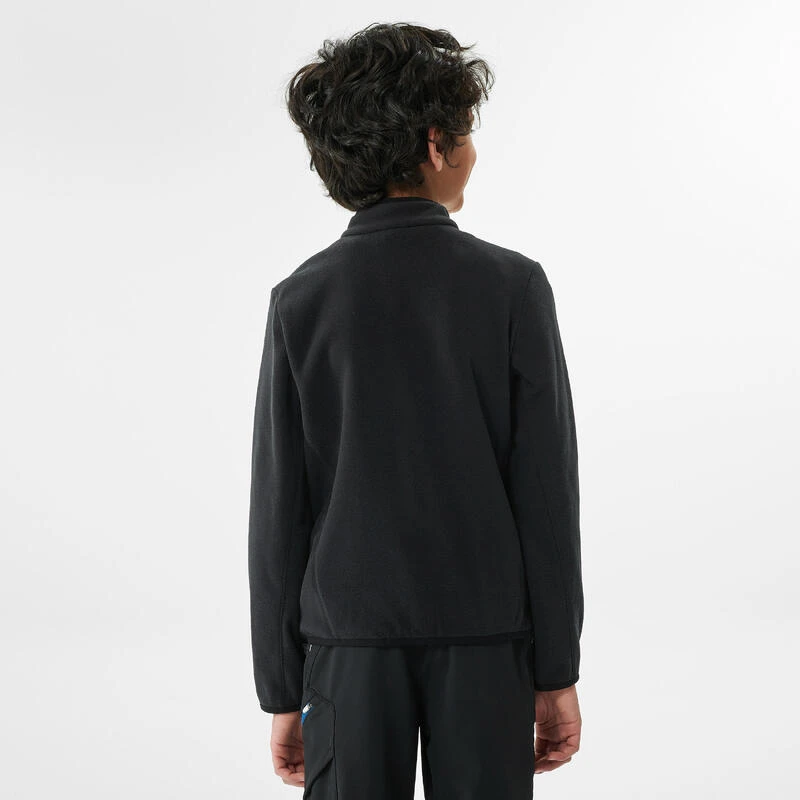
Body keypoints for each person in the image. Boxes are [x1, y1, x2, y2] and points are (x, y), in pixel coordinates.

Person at [248, 21, 584, 799]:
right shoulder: (513, 288)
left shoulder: (300, 300)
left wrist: (281, 688)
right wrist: (556, 671)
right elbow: (546, 496)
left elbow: (279, 511)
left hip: (347, 645)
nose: (471, 152)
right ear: (436, 144)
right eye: (464, 132)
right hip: (489, 639)